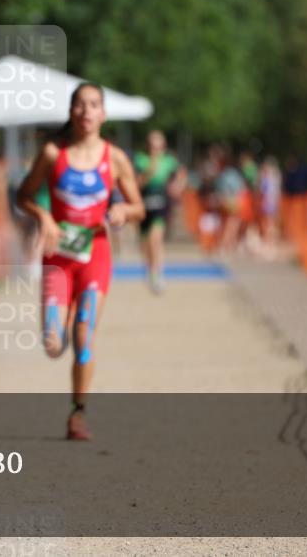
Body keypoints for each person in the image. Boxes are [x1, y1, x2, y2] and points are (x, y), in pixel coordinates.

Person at [16, 83, 144, 440]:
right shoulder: (53, 153)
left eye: (94, 105)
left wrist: (122, 210)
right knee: (54, 344)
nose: (87, 112)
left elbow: (139, 207)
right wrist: (42, 215)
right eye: (80, 105)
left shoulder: (114, 158)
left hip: (95, 256)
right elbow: (22, 195)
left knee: (84, 337)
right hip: (58, 257)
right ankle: (67, 321)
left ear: (103, 114)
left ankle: (78, 413)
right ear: (72, 112)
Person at [133, 130, 186, 294]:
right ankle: (150, 268)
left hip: (162, 204)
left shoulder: (169, 161)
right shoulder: (140, 160)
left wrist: (177, 187)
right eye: (152, 145)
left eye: (159, 146)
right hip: (144, 204)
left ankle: (157, 273)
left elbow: (181, 174)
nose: (155, 149)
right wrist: (149, 170)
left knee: (155, 238)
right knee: (145, 242)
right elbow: (136, 184)